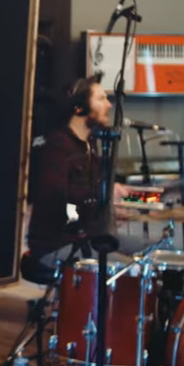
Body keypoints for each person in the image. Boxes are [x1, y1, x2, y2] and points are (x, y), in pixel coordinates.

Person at [26, 73, 142, 271]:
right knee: (129, 268)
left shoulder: (90, 145)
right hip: (58, 244)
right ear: (79, 108)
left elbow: (87, 194)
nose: (109, 105)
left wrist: (110, 204)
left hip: (88, 236)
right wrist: (100, 195)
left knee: (151, 249)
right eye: (101, 99)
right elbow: (57, 199)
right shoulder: (58, 146)